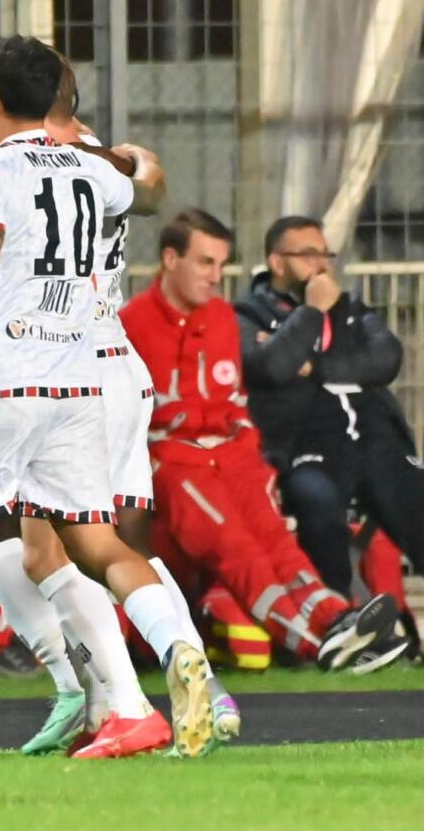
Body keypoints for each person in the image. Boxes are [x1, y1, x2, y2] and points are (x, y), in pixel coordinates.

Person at [0, 35, 215, 765]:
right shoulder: (95, 171)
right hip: (81, 380)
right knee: (96, 543)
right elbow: (146, 188)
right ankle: (178, 649)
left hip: (4, 379)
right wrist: (110, 154)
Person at [119, 210, 405, 674]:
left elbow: (234, 403)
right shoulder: (132, 323)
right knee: (240, 552)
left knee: (279, 545)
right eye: (205, 263)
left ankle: (338, 621)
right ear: (170, 259)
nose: (215, 277)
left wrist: (252, 458)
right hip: (176, 464)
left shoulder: (221, 318)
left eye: (221, 265)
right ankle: (319, 645)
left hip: (235, 458)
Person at [235, 215, 416, 658]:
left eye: (325, 254)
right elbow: (273, 367)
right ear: (277, 262)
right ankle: (341, 626)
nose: (321, 265)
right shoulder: (247, 314)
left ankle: (401, 633)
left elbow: (386, 360)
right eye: (307, 254)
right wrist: (311, 313)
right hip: (304, 449)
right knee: (317, 502)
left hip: (374, 444)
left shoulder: (349, 308)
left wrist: (315, 368)